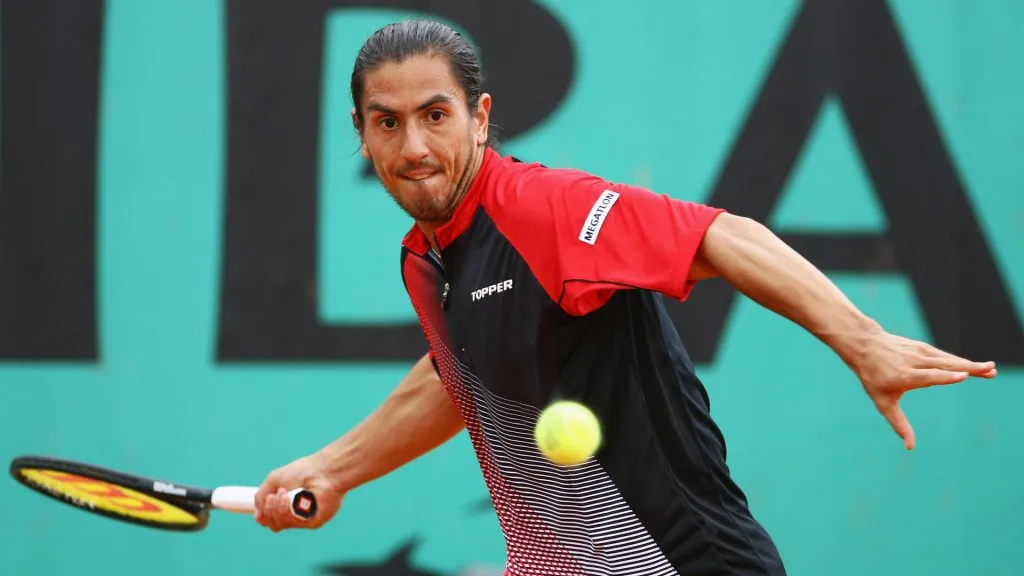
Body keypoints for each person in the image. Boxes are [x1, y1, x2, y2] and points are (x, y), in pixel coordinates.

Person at [253, 19, 997, 575]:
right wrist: (333, 466)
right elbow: (463, 378)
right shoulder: (428, 258)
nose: (413, 147)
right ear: (361, 133)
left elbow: (723, 237)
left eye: (435, 115)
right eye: (389, 122)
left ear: (480, 118)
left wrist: (862, 341)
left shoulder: (543, 210)